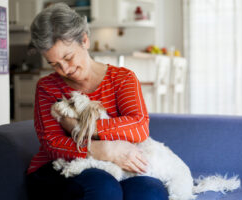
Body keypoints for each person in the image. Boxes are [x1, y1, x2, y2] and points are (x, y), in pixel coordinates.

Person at [26, 3, 168, 200]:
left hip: (119, 165)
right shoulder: (47, 87)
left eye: (68, 57)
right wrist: (105, 149)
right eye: (54, 64)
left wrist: (85, 128)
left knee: (149, 192)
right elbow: (53, 144)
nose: (65, 70)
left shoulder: (122, 78)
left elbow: (139, 127)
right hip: (60, 166)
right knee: (103, 187)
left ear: (84, 40)